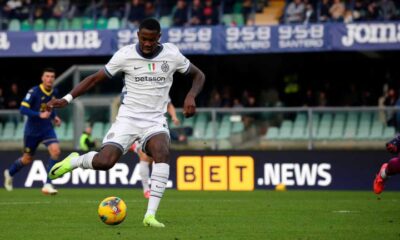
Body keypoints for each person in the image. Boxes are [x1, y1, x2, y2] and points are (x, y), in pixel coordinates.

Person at [46, 18, 205, 228]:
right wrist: (66, 99)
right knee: (105, 162)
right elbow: (94, 79)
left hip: (155, 120)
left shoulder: (172, 54)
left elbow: (199, 75)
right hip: (128, 119)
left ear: (159, 38)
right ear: (138, 35)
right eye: (144, 38)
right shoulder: (125, 55)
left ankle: (150, 216)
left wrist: (191, 95)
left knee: (162, 151)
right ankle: (74, 161)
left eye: (152, 39)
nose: (147, 43)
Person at [3, 68, 62, 195]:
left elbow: (51, 108)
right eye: (47, 76)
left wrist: (54, 117)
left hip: (47, 129)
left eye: (52, 76)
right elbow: (23, 109)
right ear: (42, 78)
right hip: (32, 131)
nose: (50, 79)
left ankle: (47, 184)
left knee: (56, 151)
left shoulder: (54, 92)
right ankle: (10, 173)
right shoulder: (34, 92)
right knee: (27, 159)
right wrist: (38, 115)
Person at [133, 100, 181, 199]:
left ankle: (155, 188)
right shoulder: (140, 88)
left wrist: (174, 116)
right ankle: (146, 189)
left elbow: (169, 104)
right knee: (145, 157)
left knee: (156, 156)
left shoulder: (162, 87)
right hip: (141, 126)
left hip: (158, 125)